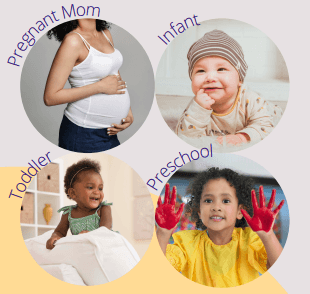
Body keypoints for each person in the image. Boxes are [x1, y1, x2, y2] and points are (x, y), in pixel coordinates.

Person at [156, 168, 285, 287]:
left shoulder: (249, 240)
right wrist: (163, 233)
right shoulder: (187, 243)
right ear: (199, 212)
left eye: (226, 201)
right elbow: (158, 272)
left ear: (240, 211)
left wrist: (267, 235)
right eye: (208, 200)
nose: (216, 207)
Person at [176, 30, 282, 146]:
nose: (210, 78)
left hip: (269, 113)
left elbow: (266, 126)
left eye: (221, 69)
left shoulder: (251, 100)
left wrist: (242, 138)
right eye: (201, 71)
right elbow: (185, 135)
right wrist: (199, 110)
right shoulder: (197, 105)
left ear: (240, 79)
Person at [44, 19, 133, 152]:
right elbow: (50, 97)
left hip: (109, 132)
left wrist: (128, 113)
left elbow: (114, 74)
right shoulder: (73, 41)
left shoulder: (105, 33)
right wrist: (99, 87)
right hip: (83, 133)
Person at [46, 159, 112, 249]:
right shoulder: (68, 213)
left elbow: (105, 232)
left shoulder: (104, 209)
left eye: (100, 188)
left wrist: (90, 235)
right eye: (90, 187)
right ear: (73, 193)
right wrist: (55, 237)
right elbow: (60, 232)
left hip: (106, 247)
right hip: (83, 249)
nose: (97, 192)